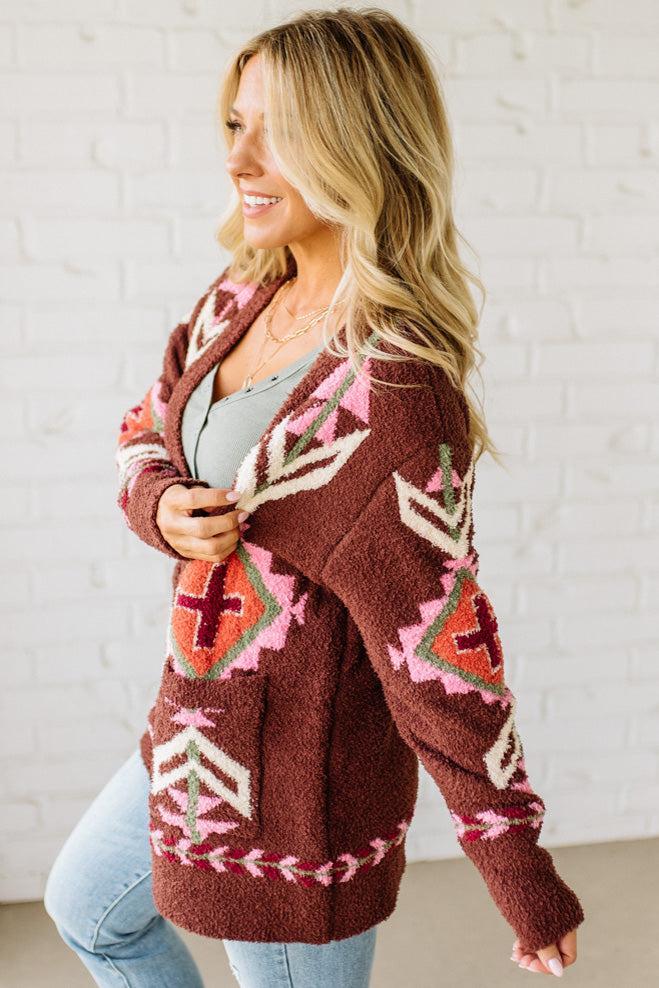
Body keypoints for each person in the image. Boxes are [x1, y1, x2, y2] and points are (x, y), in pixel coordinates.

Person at [44, 7, 584, 986]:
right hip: (196, 740)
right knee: (87, 909)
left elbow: (439, 653)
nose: (238, 159)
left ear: (359, 146)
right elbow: (145, 426)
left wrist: (517, 869)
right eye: (234, 124)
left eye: (278, 131)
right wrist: (159, 503)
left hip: (300, 801)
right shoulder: (238, 295)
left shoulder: (393, 390)